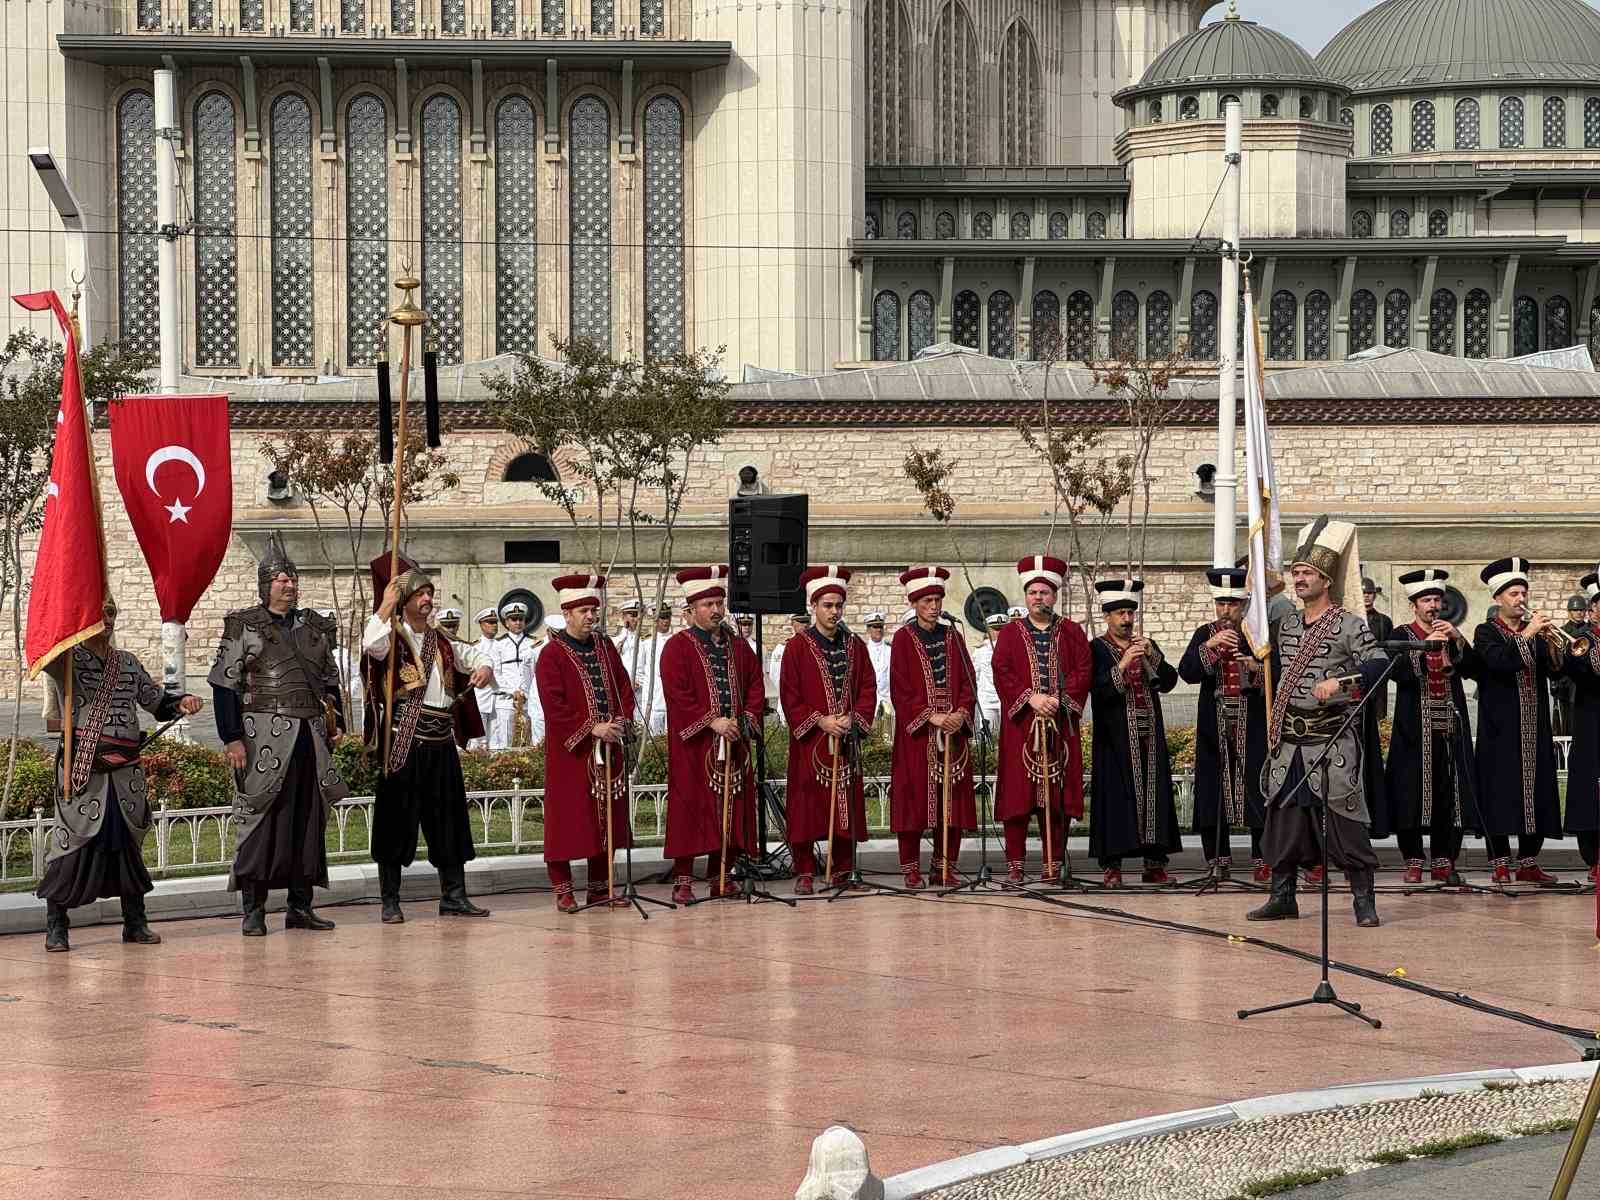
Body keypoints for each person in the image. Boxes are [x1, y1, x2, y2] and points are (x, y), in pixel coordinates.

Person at [36, 599, 203, 952]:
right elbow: (40, 650)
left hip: (125, 774)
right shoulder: (66, 660)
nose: (105, 619)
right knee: (71, 849)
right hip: (84, 773)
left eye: (110, 612)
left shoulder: (126, 663)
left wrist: (182, 700)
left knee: (127, 848)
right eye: (97, 611)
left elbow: (156, 701)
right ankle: (56, 926)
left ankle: (135, 922)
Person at [1248, 518, 1389, 929]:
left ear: (1326, 580)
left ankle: (1364, 901)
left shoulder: (1349, 624)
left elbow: (1378, 666)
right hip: (1289, 740)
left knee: (1346, 823)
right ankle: (1282, 896)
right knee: (1283, 822)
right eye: (1296, 573)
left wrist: (1341, 683)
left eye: (1307, 573)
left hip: (1331, 742)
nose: (1299, 580)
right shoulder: (1287, 624)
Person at [209, 534, 349, 936]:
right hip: (261, 737)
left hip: (309, 737)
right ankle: (253, 909)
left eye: (292, 578)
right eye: (281, 578)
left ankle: (300, 906)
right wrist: (231, 736)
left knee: (307, 821)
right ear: (265, 584)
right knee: (261, 822)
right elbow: (224, 684)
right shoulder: (243, 626)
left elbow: (328, 682)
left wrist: (334, 723)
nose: (289, 584)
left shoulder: (315, 628)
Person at [363, 565, 495, 922]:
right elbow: (369, 645)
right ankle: (390, 900)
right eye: (420, 594)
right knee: (395, 822)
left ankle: (454, 895)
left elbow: (475, 656)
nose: (427, 600)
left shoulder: (441, 640)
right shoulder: (392, 636)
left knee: (448, 820)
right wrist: (384, 606)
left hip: (440, 740)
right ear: (404, 601)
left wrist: (483, 667)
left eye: (430, 594)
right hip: (404, 740)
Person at [660, 566, 765, 903]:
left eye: (720, 603)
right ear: (691, 610)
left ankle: (723, 875)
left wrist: (745, 719)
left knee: (732, 809)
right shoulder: (677, 647)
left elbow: (755, 685)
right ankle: (684, 879)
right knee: (691, 809)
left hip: (734, 742)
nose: (717, 610)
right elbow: (678, 695)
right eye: (708, 605)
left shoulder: (738, 646)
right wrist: (711, 721)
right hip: (696, 746)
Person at [536, 574, 637, 911]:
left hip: (609, 747)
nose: (592, 616)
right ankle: (563, 889)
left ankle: (600, 887)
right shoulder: (551, 654)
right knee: (568, 820)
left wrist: (621, 720)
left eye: (594, 610)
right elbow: (554, 704)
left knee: (605, 818)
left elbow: (623, 685)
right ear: (567, 614)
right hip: (572, 752)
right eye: (584, 611)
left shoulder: (605, 647)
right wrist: (591, 728)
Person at [992, 555, 1092, 883]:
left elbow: (1082, 669)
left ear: (1054, 596)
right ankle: (1016, 864)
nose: (1038, 598)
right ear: (1025, 596)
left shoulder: (1072, 632)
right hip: (1022, 727)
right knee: (1018, 797)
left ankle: (1053, 862)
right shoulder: (1010, 633)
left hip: (1059, 727)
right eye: (1033, 592)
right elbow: (1002, 670)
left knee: (1056, 796)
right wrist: (1031, 698)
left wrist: (1058, 700)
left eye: (1044, 593)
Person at [781, 566, 876, 893]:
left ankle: (844, 870)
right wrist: (820, 720)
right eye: (827, 605)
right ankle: (805, 871)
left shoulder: (856, 646)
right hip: (812, 741)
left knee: (845, 803)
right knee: (807, 805)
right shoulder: (796, 647)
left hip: (845, 740)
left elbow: (868, 687)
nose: (834, 612)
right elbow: (789, 694)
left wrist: (853, 718)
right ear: (813, 607)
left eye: (838, 606)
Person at [1473, 558, 1566, 885]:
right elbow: (1498, 662)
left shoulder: (1538, 633)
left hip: (1535, 724)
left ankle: (1528, 861)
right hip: (1500, 727)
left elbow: (1554, 672)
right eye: (1514, 593)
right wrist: (1528, 633)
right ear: (1498, 598)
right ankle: (1499, 861)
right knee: (1498, 790)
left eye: (1523, 592)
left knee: (1538, 790)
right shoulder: (1486, 632)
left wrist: (1555, 647)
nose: (1521, 599)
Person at [1385, 569, 1480, 887]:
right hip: (1414, 729)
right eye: (1426, 600)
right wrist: (1427, 648)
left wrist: (1457, 640)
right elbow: (1397, 672)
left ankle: (1444, 858)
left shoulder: (1451, 634)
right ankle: (1412, 858)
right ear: (1414, 605)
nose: (1433, 606)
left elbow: (1475, 669)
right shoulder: (1402, 634)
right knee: (1410, 791)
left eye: (1437, 599)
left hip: (1449, 725)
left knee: (1448, 794)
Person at [888, 566, 977, 888]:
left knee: (951, 803)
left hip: (953, 734)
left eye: (938, 599)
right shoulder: (902, 638)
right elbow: (900, 688)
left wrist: (961, 713)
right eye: (927, 600)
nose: (935, 606)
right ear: (915, 603)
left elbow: (969, 682)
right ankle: (911, 868)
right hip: (918, 737)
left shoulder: (953, 636)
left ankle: (944, 866)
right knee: (913, 801)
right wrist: (930, 716)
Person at [1087, 580, 1180, 886]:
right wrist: (1123, 665)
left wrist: (1153, 655)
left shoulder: (1145, 644)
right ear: (1107, 616)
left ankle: (1154, 863)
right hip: (1114, 738)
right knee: (1115, 797)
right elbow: (1097, 691)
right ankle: (1112, 865)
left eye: (1130, 613)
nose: (1126, 619)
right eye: (1120, 614)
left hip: (1149, 733)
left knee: (1154, 796)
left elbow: (1168, 682)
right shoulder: (1096, 649)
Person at [1178, 568, 1268, 882]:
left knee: (1257, 786)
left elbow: (1277, 676)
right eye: (1221, 604)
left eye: (1232, 603)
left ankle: (1262, 857)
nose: (1226, 610)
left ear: (1242, 604)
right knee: (1213, 790)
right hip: (1213, 723)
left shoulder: (1258, 634)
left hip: (1252, 721)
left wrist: (1257, 669)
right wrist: (1210, 647)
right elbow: (1186, 672)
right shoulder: (1204, 633)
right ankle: (1218, 858)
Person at [1560, 570, 1600, 884]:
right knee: (1590, 787)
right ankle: (1594, 858)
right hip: (1592, 723)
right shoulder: (1584, 640)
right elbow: (1578, 672)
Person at [486, 597, 538, 749]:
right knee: (505, 742)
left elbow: (535, 672)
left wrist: (525, 692)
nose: (517, 622)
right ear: (506, 622)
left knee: (528, 741)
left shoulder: (533, 643)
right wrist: (511, 691)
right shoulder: (498, 644)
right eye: (513, 619)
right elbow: (495, 673)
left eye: (520, 619)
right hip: (506, 701)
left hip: (528, 699)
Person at [1552, 594, 1589, 737]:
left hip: (1586, 682)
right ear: (1569, 612)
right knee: (1567, 725)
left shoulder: (1590, 631)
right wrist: (1554, 683)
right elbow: (1555, 660)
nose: (1579, 612)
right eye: (1575, 610)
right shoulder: (1561, 631)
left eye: (1581, 609)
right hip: (1566, 684)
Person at [631, 606, 672, 735]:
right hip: (653, 696)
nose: (666, 621)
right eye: (662, 618)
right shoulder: (646, 642)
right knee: (652, 735)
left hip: (670, 695)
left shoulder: (675, 639)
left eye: (668, 617)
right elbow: (639, 669)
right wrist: (649, 684)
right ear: (655, 619)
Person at [972, 610, 1010, 738]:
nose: (998, 632)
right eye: (995, 629)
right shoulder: (980, 651)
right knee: (987, 737)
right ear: (988, 630)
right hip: (987, 700)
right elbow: (974, 677)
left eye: (1002, 629)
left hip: (1006, 699)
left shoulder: (1013, 650)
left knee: (1007, 737)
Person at [766, 613, 808, 726]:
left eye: (806, 622)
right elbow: (775, 676)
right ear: (793, 624)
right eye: (801, 622)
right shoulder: (782, 648)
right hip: (789, 697)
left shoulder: (815, 646)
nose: (804, 626)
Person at [470, 606, 499, 749]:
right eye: (490, 622)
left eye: (495, 622)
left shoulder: (502, 645)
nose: (494, 625)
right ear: (481, 625)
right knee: (478, 741)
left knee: (497, 742)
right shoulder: (474, 647)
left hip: (498, 699)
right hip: (480, 698)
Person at [862, 612, 893, 728]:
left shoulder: (891, 651)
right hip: (869, 707)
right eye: (875, 627)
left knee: (888, 742)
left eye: (880, 627)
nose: (878, 630)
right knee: (869, 744)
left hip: (888, 705)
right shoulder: (863, 651)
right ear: (868, 629)